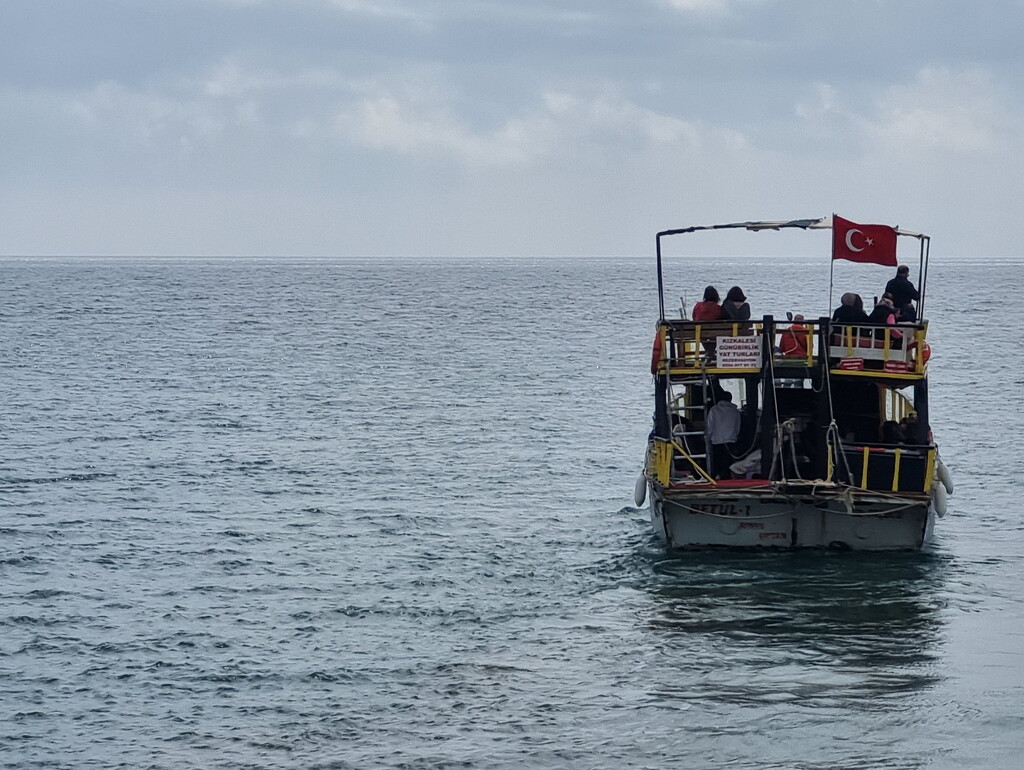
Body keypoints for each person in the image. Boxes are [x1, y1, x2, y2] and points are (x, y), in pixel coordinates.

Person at [707, 391, 741, 479]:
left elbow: (710, 427)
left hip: (716, 441)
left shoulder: (714, 410)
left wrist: (708, 438)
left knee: (717, 462)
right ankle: (727, 478)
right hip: (731, 441)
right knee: (728, 464)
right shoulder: (735, 411)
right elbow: (737, 428)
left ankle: (716, 477)